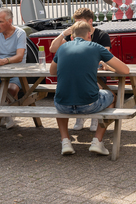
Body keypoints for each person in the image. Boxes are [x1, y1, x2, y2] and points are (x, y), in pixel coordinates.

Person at [51, 21, 130, 156]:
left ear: (71, 37)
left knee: (62, 96)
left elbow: (52, 72)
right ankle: (97, 141)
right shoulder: (96, 47)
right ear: (89, 34)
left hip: (62, 106)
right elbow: (125, 70)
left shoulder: (62, 48)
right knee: (112, 96)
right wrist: (104, 63)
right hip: (89, 104)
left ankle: (65, 141)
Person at [49, 7, 111, 131]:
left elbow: (104, 56)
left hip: (95, 75)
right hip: (79, 75)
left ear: (90, 22)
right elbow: (53, 49)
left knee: (90, 85)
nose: (76, 25)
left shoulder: (102, 35)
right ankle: (81, 116)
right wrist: (63, 34)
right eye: (75, 22)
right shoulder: (73, 35)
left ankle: (94, 117)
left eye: (79, 22)